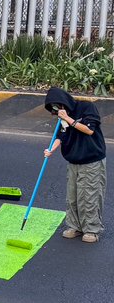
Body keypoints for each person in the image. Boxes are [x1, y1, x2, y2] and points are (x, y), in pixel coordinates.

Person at [44, 88, 106, 243]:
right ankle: (75, 226)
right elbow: (61, 135)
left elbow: (89, 130)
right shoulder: (62, 117)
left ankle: (91, 229)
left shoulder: (86, 107)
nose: (57, 111)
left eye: (58, 107)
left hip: (91, 159)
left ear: (64, 102)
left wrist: (69, 119)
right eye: (54, 109)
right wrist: (51, 149)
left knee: (89, 196)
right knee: (72, 196)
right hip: (73, 160)